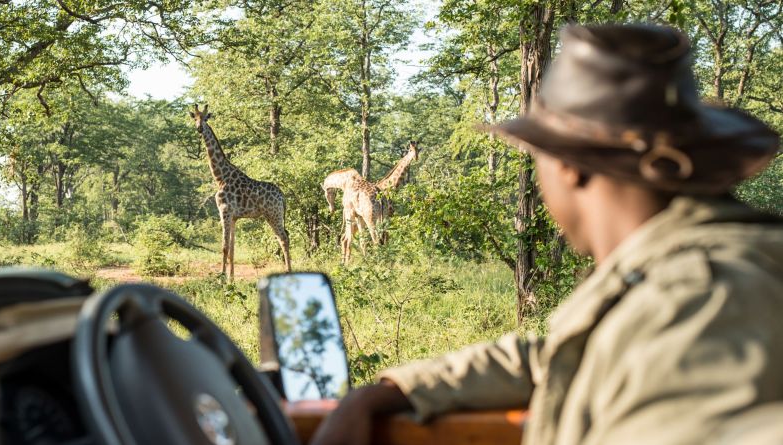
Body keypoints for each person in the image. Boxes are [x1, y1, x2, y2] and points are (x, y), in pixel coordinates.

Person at [310, 24, 783, 445]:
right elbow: (560, 359)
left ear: (569, 168)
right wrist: (389, 392)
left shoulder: (697, 298)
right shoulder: (681, 280)